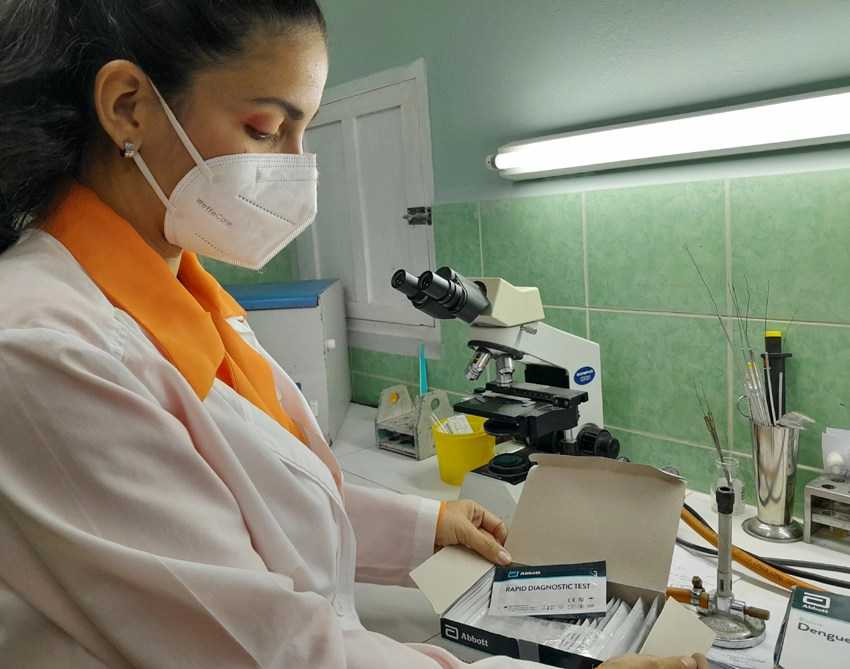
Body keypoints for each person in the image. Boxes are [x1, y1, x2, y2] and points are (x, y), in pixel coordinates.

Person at [0, 1, 709, 667]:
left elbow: (262, 503)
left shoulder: (193, 299)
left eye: (303, 131)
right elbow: (271, 648)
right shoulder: (42, 346)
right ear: (128, 106)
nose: (292, 166)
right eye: (262, 128)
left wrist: (425, 525)